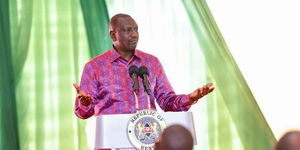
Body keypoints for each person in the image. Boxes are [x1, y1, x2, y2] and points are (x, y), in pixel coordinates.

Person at [73, 13, 214, 119]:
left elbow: (167, 102)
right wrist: (84, 103)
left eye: (136, 30)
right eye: (128, 30)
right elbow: (84, 113)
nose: (134, 34)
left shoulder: (151, 63)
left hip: (147, 139)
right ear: (113, 35)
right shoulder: (94, 67)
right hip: (110, 143)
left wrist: (190, 98)